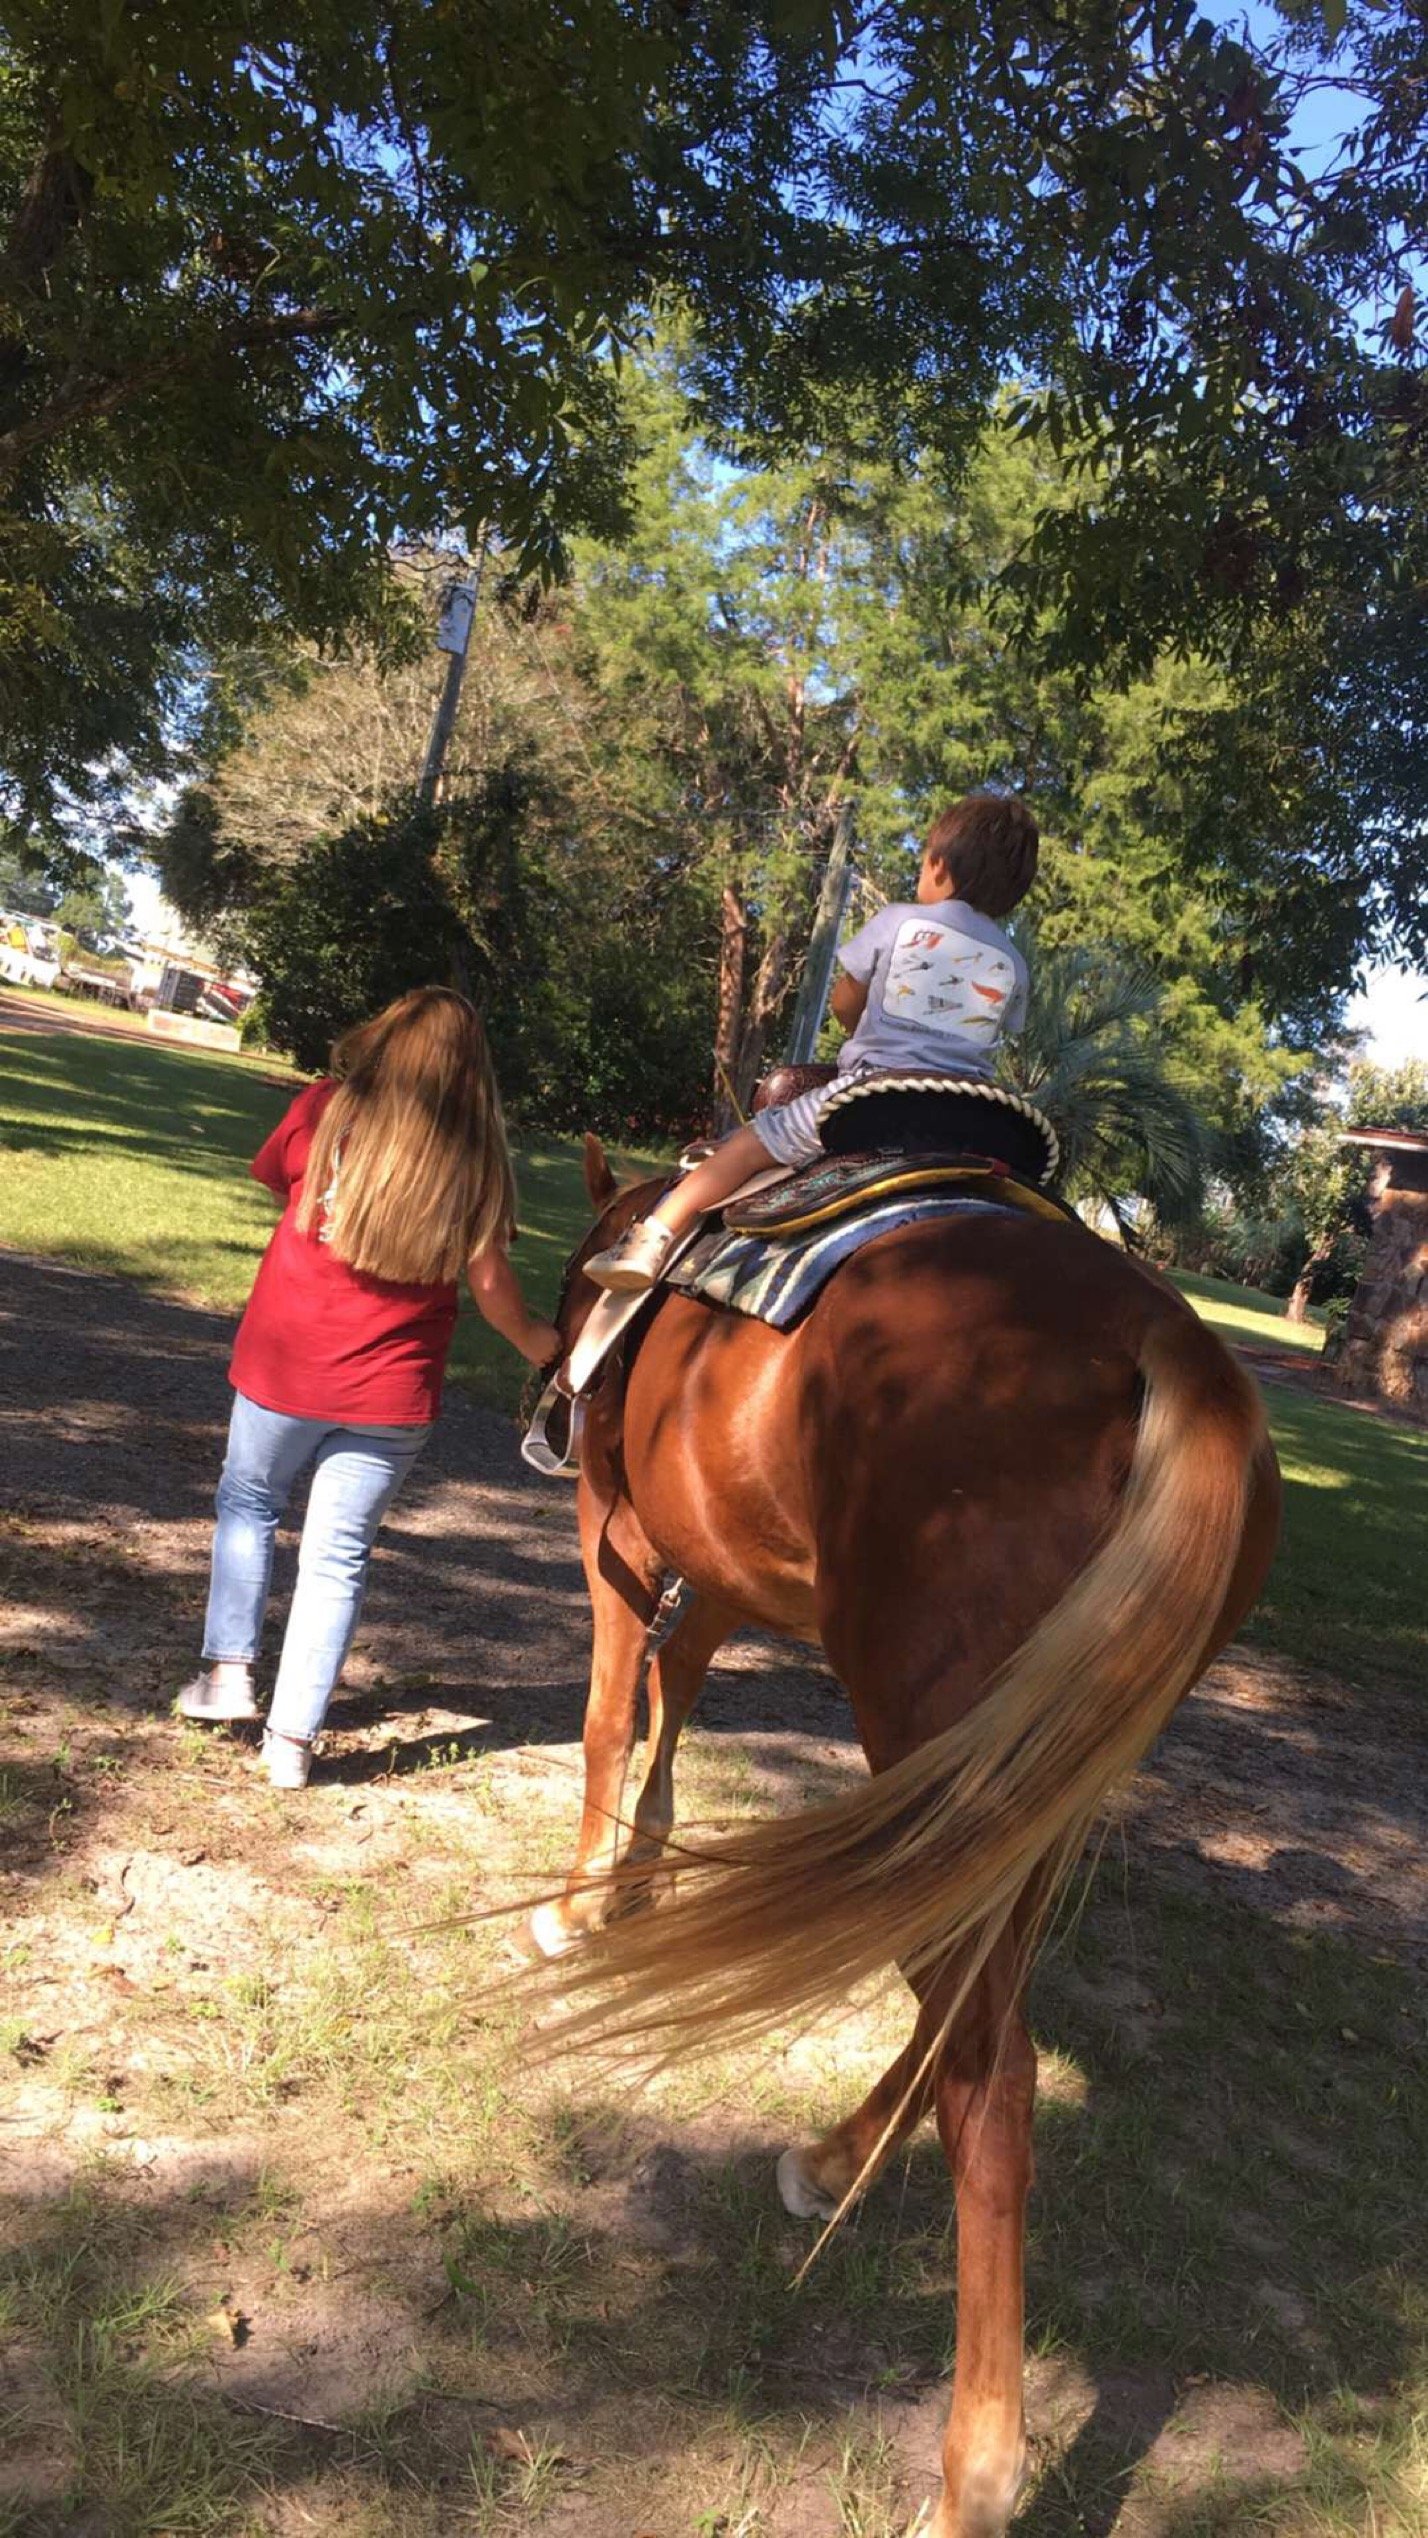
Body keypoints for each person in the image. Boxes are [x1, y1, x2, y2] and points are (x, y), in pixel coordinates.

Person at [176, 987, 559, 1788]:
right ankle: (291, 1743)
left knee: (248, 1507)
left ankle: (229, 1674)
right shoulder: (475, 1160)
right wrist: (538, 1344)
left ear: (385, 1040)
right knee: (336, 1560)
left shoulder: (324, 1111)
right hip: (390, 1396)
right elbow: (491, 1285)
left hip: (284, 1369)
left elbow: (279, 1182)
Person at [585, 792, 1038, 1292]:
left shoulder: (899, 921)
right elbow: (995, 1033)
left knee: (751, 1143)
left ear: (936, 865)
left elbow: (846, 1002)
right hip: (969, 1116)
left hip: (881, 1096)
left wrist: (865, 1027)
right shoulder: (1014, 963)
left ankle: (653, 1235)